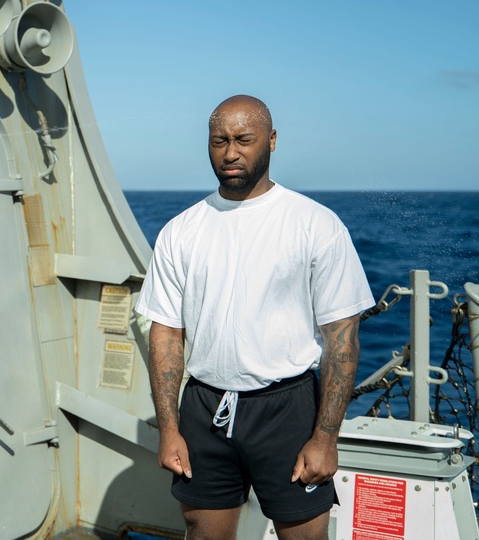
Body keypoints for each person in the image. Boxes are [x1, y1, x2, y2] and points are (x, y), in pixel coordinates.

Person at [136, 95, 374, 539]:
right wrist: (169, 428)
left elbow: (343, 339)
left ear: (272, 141)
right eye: (218, 141)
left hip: (287, 408)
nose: (230, 153)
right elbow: (166, 336)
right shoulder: (180, 231)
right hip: (204, 408)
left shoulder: (315, 224)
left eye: (244, 139)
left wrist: (325, 439)